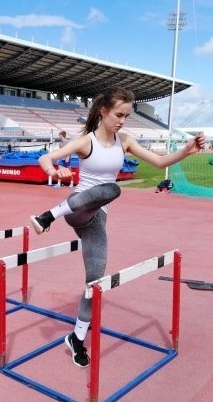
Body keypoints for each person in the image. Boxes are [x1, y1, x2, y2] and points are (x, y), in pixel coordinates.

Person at [29, 87, 206, 368]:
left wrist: (186, 151)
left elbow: (159, 162)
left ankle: (76, 338)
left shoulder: (124, 141)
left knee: (95, 282)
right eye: (119, 115)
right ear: (103, 111)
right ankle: (49, 215)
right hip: (76, 207)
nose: (123, 121)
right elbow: (45, 158)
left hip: (97, 220)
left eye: (127, 116)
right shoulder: (86, 142)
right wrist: (54, 170)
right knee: (110, 188)